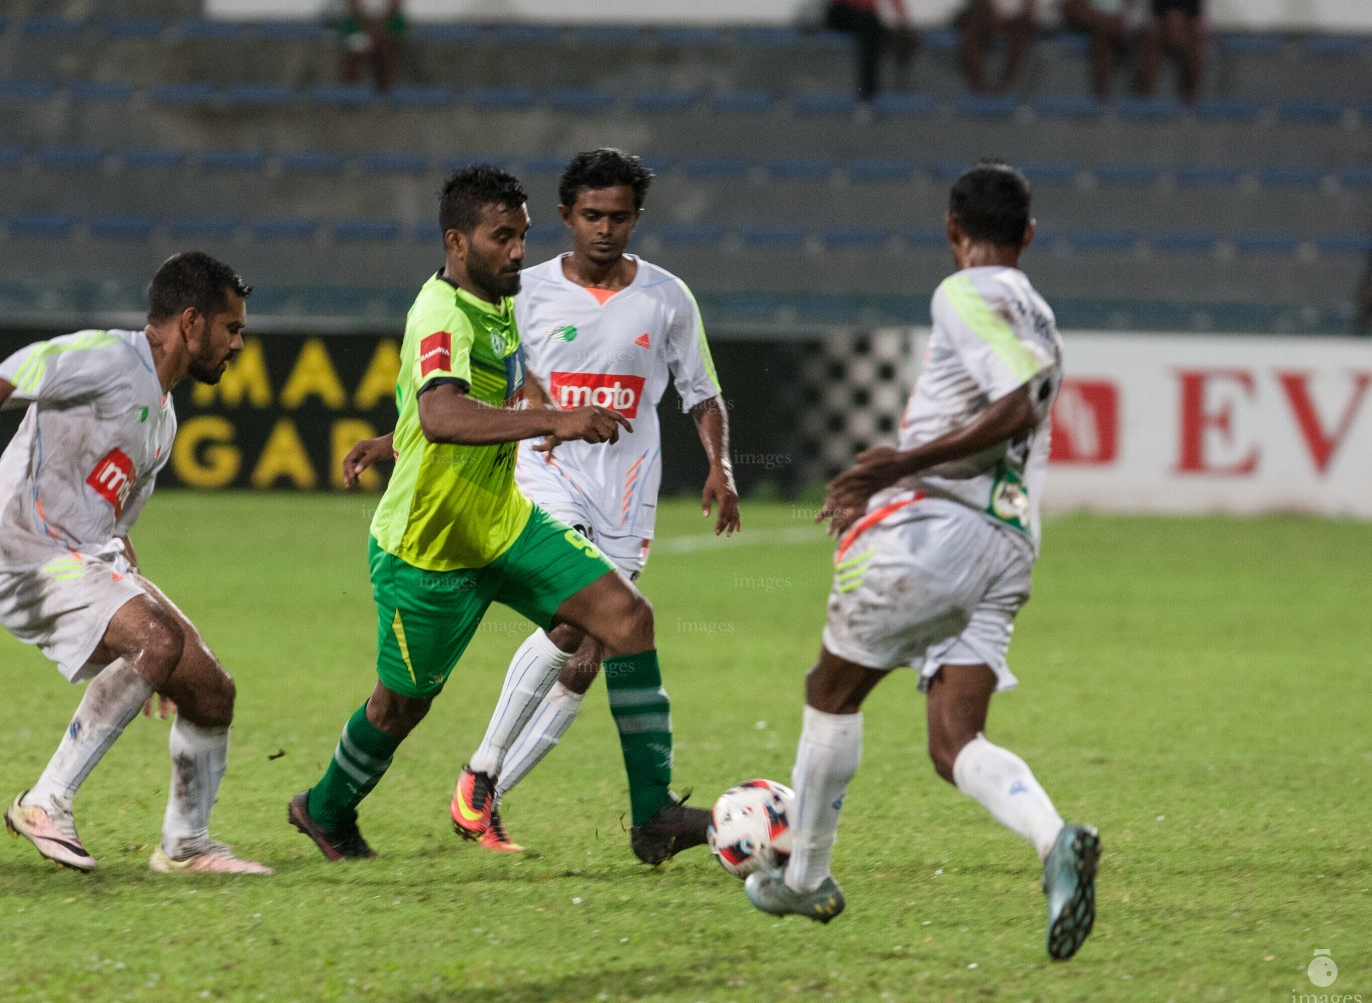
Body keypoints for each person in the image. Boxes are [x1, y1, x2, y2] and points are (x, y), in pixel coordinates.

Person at [287, 164, 714, 866]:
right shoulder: (442, 313)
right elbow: (443, 413)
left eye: (521, 235)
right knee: (400, 707)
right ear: (457, 242)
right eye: (501, 237)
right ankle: (324, 807)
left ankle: (654, 818)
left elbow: (481, 395)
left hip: (503, 523)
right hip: (428, 551)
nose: (517, 251)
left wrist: (395, 436)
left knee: (626, 618)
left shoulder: (499, 301)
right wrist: (557, 418)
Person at [745, 160, 1101, 962]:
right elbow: (1020, 402)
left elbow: (1016, 403)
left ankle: (803, 879)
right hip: (1008, 546)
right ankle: (1054, 843)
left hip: (937, 531)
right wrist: (899, 461)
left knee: (830, 690)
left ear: (952, 231)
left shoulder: (964, 291)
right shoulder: (1038, 310)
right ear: (1029, 234)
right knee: (953, 740)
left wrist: (898, 468)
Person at [0, 251, 271, 875]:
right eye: (232, 328)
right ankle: (45, 802)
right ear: (191, 322)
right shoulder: (105, 357)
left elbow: (115, 532)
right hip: (24, 555)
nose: (239, 344)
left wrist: (148, 635)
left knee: (212, 690)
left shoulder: (162, 418)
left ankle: (186, 845)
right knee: (157, 643)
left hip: (82, 559)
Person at [445, 148, 740, 854]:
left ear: (636, 218)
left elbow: (702, 392)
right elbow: (482, 375)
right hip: (546, 480)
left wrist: (720, 467)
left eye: (619, 217)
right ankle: (480, 769)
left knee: (586, 659)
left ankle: (482, 803)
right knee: (572, 624)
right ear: (564, 217)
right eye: (591, 215)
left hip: (628, 497)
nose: (605, 229)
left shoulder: (667, 296)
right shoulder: (525, 291)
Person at [822, 0, 918, 103]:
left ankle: (870, 94)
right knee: (871, 29)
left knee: (874, 29)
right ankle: (867, 95)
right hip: (842, 11)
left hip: (865, 17)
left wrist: (904, 23)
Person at [1060, 0, 1145, 101]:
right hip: (1095, 20)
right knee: (1102, 32)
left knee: (1149, 35)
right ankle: (1100, 99)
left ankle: (1144, 101)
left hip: (1119, 19)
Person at [957, 0, 1036, 95]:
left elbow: (1029, 9)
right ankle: (978, 87)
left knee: (1021, 35)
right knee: (969, 37)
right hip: (988, 18)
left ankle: (1004, 86)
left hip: (1018, 21)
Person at [1135, 0, 1203, 105]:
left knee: (1195, 50)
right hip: (1163, 30)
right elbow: (1154, 16)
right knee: (1148, 44)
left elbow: (1195, 17)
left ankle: (1191, 101)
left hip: (1184, 30)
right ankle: (1145, 99)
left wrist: (1178, 25)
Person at [338, 0, 404, 92]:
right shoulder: (351, 20)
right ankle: (350, 90)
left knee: (384, 52)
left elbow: (398, 35)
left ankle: (385, 88)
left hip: (386, 45)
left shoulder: (395, 20)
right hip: (359, 44)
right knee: (355, 54)